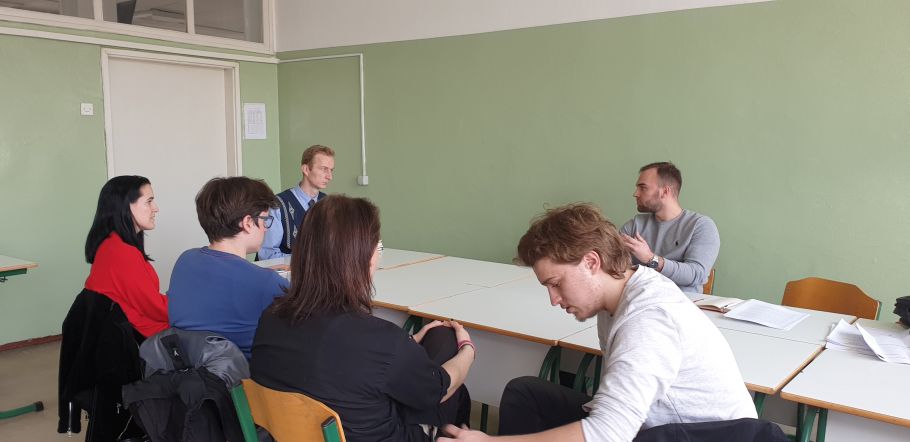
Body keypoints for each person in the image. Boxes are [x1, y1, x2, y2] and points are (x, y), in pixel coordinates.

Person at [441, 203, 755, 442]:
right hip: (659, 427)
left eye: (556, 283)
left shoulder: (647, 319)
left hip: (699, 436)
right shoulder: (620, 293)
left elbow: (608, 434)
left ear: (591, 262)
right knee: (526, 393)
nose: (553, 299)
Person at [251, 195, 474, 442]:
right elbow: (438, 389)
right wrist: (467, 349)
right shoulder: (381, 341)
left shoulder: (269, 319)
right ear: (364, 258)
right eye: (378, 246)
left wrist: (406, 344)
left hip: (290, 434)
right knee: (449, 356)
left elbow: (339, 361)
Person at [167, 176, 288, 359]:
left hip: (189, 369)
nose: (266, 228)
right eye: (265, 220)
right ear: (248, 223)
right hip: (244, 374)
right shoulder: (266, 283)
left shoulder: (185, 261)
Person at [84, 175, 169, 338]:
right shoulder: (121, 253)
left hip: (129, 328)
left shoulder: (111, 244)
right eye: (149, 201)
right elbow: (156, 309)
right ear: (125, 206)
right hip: (139, 335)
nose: (156, 208)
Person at [620, 161, 719, 293]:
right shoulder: (634, 225)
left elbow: (696, 274)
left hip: (682, 303)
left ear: (665, 191)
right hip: (638, 300)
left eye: (643, 188)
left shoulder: (701, 226)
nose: (635, 193)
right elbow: (613, 264)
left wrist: (651, 259)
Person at [257, 144, 335, 260]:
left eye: (331, 170)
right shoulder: (277, 205)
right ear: (306, 169)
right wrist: (309, 262)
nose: (329, 176)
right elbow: (267, 255)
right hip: (286, 271)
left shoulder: (329, 204)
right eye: (324, 169)